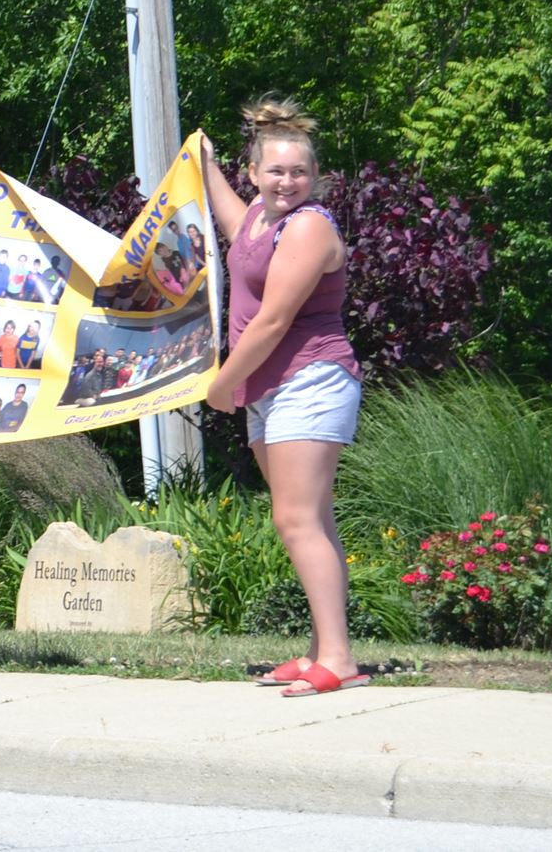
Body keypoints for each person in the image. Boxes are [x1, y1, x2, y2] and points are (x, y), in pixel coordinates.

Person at [200, 95, 365, 699]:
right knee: (310, 518)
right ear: (254, 174)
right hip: (271, 388)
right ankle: (325, 649)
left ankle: (339, 659)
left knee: (295, 519)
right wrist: (204, 161)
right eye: (275, 170)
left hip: (310, 379)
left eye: (298, 172)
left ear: (315, 179)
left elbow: (272, 322)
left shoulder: (310, 226)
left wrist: (218, 386)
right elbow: (227, 217)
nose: (287, 181)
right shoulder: (257, 222)